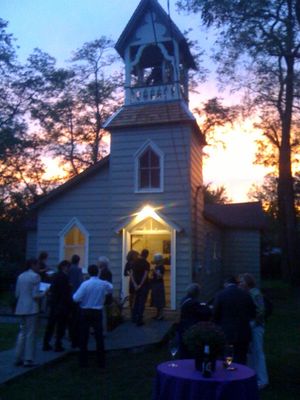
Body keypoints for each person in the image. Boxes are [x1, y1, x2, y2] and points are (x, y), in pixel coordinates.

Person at [73, 264, 113, 368]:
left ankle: (83, 361)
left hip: (85, 311)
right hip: (97, 312)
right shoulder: (103, 284)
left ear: (89, 273)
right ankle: (101, 361)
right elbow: (111, 288)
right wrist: (104, 294)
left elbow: (76, 298)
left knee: (84, 336)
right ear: (98, 272)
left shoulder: (85, 284)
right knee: (99, 337)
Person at [213, 275, 256, 365]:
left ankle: (229, 369)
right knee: (241, 356)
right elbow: (253, 313)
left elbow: (215, 314)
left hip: (226, 331)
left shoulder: (220, 295)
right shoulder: (246, 295)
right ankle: (241, 374)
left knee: (228, 354)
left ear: (226, 283)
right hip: (243, 331)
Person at [239, 273, 269, 389]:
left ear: (247, 283)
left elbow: (261, 311)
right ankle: (251, 376)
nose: (240, 283)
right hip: (249, 326)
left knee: (258, 352)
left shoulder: (255, 293)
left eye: (242, 281)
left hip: (256, 327)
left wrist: (253, 323)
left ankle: (262, 380)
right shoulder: (246, 294)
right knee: (250, 352)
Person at [14, 258, 45, 367]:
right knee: (31, 334)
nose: (39, 267)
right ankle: (28, 359)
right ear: (33, 265)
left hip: (21, 307)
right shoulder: (35, 277)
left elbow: (17, 294)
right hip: (31, 308)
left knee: (22, 332)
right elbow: (35, 295)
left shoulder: (21, 276)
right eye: (37, 265)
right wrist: (44, 292)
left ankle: (18, 357)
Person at [43, 260, 72, 352]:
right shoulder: (64, 277)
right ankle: (58, 344)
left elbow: (52, 288)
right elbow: (64, 292)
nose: (69, 269)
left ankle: (46, 343)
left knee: (51, 324)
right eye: (68, 267)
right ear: (64, 267)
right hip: (62, 305)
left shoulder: (55, 275)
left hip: (54, 303)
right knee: (61, 325)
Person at [177, 283, 212, 358]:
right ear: (197, 292)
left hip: (183, 326)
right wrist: (207, 307)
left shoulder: (185, 299)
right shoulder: (193, 303)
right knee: (188, 349)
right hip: (189, 327)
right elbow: (205, 313)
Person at [68, 255, 83, 348]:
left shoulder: (69, 269)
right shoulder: (78, 270)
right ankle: (76, 339)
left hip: (69, 295)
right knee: (76, 318)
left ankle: (71, 336)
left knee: (71, 318)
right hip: (76, 295)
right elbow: (80, 283)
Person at [131, 250, 150, 326]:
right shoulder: (146, 263)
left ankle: (134, 317)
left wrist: (135, 284)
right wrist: (140, 285)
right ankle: (139, 319)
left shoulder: (134, 262)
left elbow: (131, 274)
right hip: (144, 285)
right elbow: (145, 275)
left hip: (136, 285)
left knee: (136, 301)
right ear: (147, 255)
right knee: (142, 302)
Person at [98, 256, 113, 334]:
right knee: (106, 313)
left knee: (104, 314)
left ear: (102, 264)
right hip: (107, 295)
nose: (98, 263)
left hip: (105, 296)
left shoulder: (105, 272)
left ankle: (104, 331)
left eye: (99, 262)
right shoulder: (106, 271)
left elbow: (104, 284)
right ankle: (106, 329)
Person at [150, 253, 166, 320]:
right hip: (155, 284)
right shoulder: (157, 266)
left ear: (158, 259)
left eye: (155, 258)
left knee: (160, 300)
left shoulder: (160, 267)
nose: (154, 260)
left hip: (158, 285)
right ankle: (157, 314)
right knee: (156, 300)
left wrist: (154, 271)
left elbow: (159, 276)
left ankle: (161, 315)